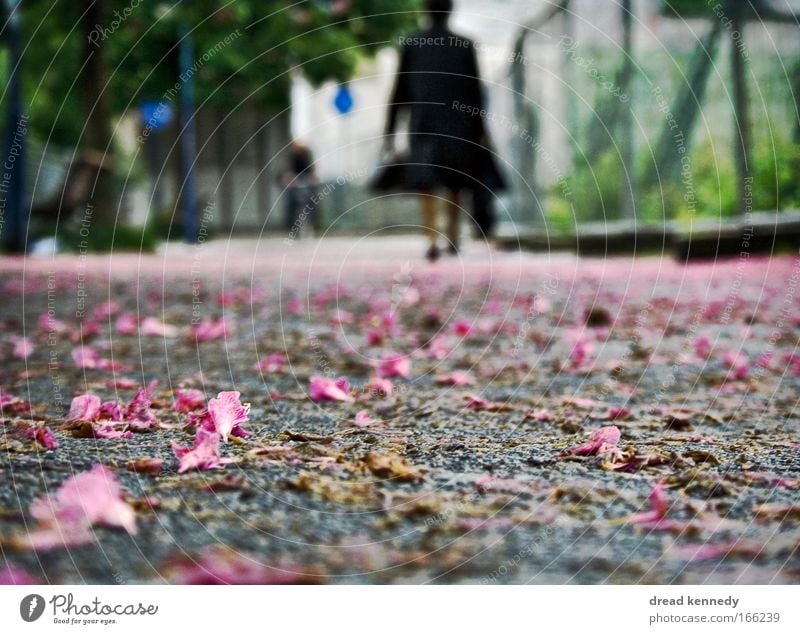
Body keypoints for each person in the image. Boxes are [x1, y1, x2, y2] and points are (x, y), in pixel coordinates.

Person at [383, 0, 502, 261]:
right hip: (459, 124)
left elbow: (400, 89)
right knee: (455, 182)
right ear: (450, 11)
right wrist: (482, 129)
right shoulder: (464, 45)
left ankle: (431, 237)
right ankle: (452, 235)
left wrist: (389, 132)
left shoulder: (412, 44)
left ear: (425, 11)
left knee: (426, 181)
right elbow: (475, 91)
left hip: (423, 122)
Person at [282, 140, 319, 236]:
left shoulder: (307, 154)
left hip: (306, 179)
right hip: (295, 179)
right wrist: (289, 178)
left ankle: (312, 225)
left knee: (312, 202)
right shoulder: (292, 155)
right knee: (291, 203)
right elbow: (289, 169)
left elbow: (311, 169)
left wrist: (312, 177)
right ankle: (292, 227)